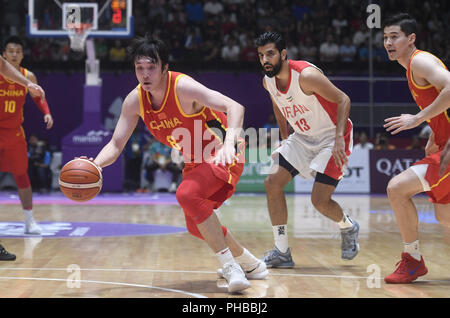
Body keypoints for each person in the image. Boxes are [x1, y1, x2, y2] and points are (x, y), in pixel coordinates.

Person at [84, 35, 268, 293]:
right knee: (196, 225)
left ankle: (231, 267)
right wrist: (96, 165)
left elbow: (235, 106)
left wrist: (230, 143)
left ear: (164, 68)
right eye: (140, 68)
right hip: (196, 160)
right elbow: (115, 145)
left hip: (225, 152)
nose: (145, 74)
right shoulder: (135, 100)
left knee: (186, 194)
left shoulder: (183, 87)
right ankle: (250, 263)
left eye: (151, 67)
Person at [256, 31, 359, 268]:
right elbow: (277, 103)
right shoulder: (267, 81)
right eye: (261, 55)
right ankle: (281, 251)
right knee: (272, 183)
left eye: (270, 54)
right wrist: (285, 137)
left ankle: (348, 226)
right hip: (302, 137)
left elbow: (344, 100)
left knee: (319, 201)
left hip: (331, 137)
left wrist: (339, 140)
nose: (265, 60)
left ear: (283, 54)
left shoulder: (307, 76)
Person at [382, 13, 450, 284]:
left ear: (411, 39)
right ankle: (413, 262)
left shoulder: (419, 61)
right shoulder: (412, 67)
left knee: (396, 188)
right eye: (385, 37)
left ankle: (412, 261)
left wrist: (419, 118)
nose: (388, 41)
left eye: (394, 36)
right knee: (444, 214)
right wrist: (436, 130)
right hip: (443, 144)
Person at [1, 36, 53, 237]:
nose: (14, 54)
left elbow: (39, 97)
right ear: (4, 55)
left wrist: (47, 112)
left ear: (22, 55)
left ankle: (30, 221)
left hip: (14, 133)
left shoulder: (28, 76)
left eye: (17, 51)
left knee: (22, 175)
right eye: (10, 51)